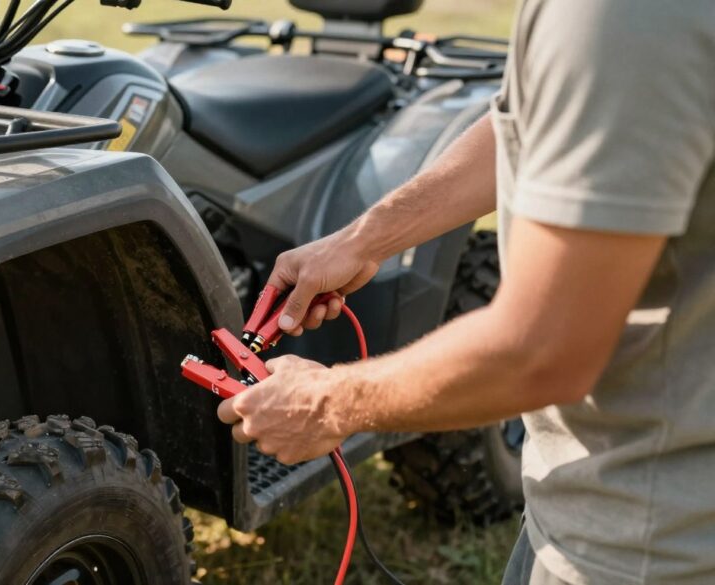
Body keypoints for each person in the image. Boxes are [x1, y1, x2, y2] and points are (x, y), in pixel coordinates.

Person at [215, 1, 715, 583]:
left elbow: (543, 350)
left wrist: (326, 403)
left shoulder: (620, 17)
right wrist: (363, 239)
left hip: (654, 540)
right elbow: (528, 127)